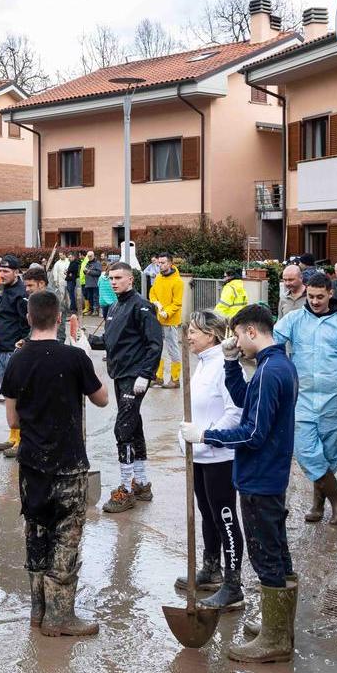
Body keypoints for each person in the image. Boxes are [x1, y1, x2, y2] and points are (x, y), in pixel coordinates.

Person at [181, 304, 299, 664]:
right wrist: (233, 364)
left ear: (250, 331)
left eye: (237, 336)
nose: (234, 342)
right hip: (269, 473)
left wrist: (207, 434)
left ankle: (275, 638)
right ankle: (279, 625)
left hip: (260, 477)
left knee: (267, 556)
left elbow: (252, 432)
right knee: (278, 552)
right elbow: (248, 402)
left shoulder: (269, 372)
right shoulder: (276, 366)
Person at [1, 291, 109, 636]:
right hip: (68, 462)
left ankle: (39, 611)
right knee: (66, 537)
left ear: (29, 319)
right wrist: (88, 358)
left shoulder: (17, 360)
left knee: (36, 533)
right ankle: (60, 617)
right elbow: (103, 400)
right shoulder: (74, 358)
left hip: (32, 463)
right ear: (59, 319)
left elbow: (13, 421)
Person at [273, 272, 337, 525]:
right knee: (306, 450)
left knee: (330, 454)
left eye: (320, 296)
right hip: (302, 397)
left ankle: (318, 505)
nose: (315, 301)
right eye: (310, 296)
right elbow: (273, 341)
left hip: (333, 398)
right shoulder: (294, 319)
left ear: (330, 294)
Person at [176, 310, 245, 610]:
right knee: (207, 513)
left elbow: (235, 413)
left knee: (225, 517)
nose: (188, 336)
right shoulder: (203, 363)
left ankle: (233, 584)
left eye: (194, 331)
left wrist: (205, 434)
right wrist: (185, 437)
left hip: (219, 455)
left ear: (211, 335)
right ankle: (211, 568)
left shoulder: (223, 366)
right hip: (200, 455)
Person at [92, 262, 162, 513]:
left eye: (118, 278)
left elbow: (155, 343)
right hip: (119, 374)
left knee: (123, 428)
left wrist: (146, 374)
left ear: (130, 280)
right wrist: (89, 341)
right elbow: (114, 342)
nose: (113, 282)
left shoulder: (141, 306)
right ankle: (141, 482)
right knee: (134, 425)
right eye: (110, 278)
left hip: (135, 376)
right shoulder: (114, 306)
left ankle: (126, 488)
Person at [0, 255, 30, 456]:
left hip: (14, 351)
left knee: (19, 396)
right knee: (8, 396)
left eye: (6, 271)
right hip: (1, 349)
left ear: (16, 272)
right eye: (0, 271)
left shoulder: (21, 294)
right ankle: (13, 435)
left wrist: (23, 343)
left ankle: (22, 440)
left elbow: (27, 324)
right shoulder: (2, 291)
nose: (2, 275)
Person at [148, 253, 185, 388]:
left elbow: (177, 303)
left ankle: (175, 379)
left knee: (172, 348)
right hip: (158, 319)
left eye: (163, 263)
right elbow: (152, 293)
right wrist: (156, 303)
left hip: (170, 321)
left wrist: (166, 312)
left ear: (170, 263)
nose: (160, 265)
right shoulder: (158, 277)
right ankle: (158, 377)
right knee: (158, 348)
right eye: (159, 263)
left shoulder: (178, 282)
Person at [23, 267, 72, 343]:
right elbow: (36, 326)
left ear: (41, 283)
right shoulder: (36, 298)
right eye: (26, 286)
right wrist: (26, 340)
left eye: (30, 285)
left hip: (52, 345)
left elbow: (59, 329)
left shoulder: (54, 300)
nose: (27, 289)